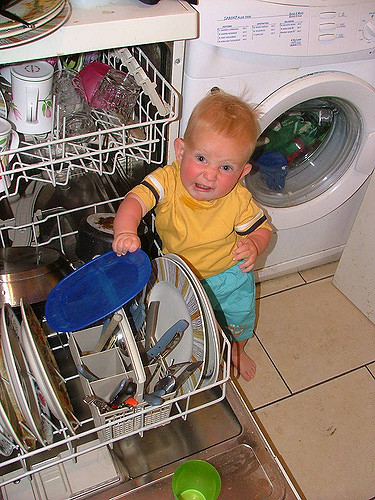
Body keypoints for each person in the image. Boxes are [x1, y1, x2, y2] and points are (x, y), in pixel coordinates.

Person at [112, 89, 272, 381]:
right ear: (181, 151)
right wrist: (125, 229)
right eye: (201, 158)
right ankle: (202, 351)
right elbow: (135, 200)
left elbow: (262, 229)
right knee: (187, 322)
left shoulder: (237, 199)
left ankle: (235, 350)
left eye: (225, 167)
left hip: (230, 277)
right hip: (182, 276)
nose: (209, 175)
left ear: (242, 172)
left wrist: (254, 245)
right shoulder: (168, 181)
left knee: (237, 321)